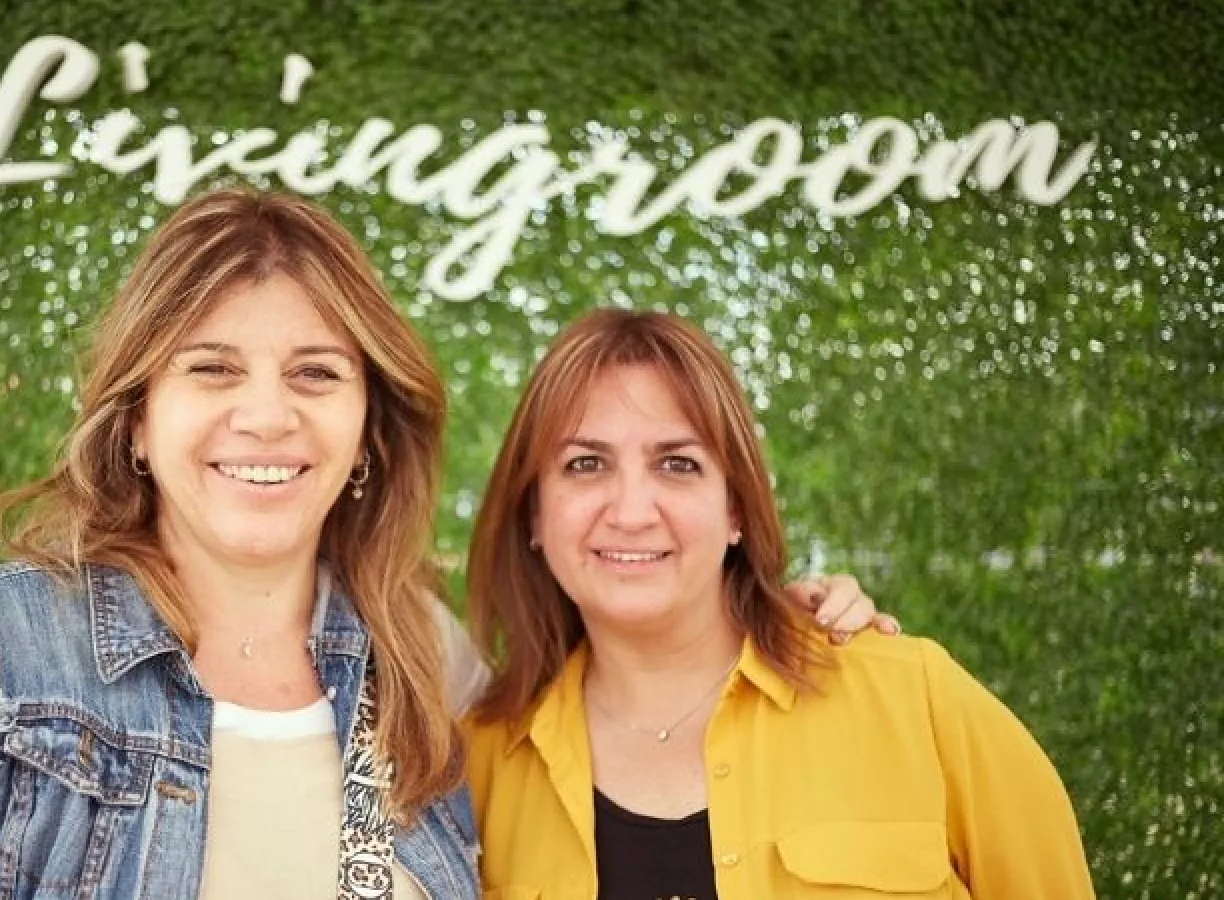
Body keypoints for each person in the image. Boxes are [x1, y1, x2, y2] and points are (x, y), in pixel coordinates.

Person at [0, 189, 885, 900]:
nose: (266, 416)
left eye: (314, 373)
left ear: (367, 433)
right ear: (137, 421)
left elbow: (636, 721)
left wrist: (779, 622)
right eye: (211, 369)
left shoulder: (425, 657)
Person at [463, 309, 1095, 900]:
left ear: (735, 509)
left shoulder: (914, 698)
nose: (631, 512)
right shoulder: (479, 768)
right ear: (534, 512)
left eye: (677, 464)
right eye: (585, 464)